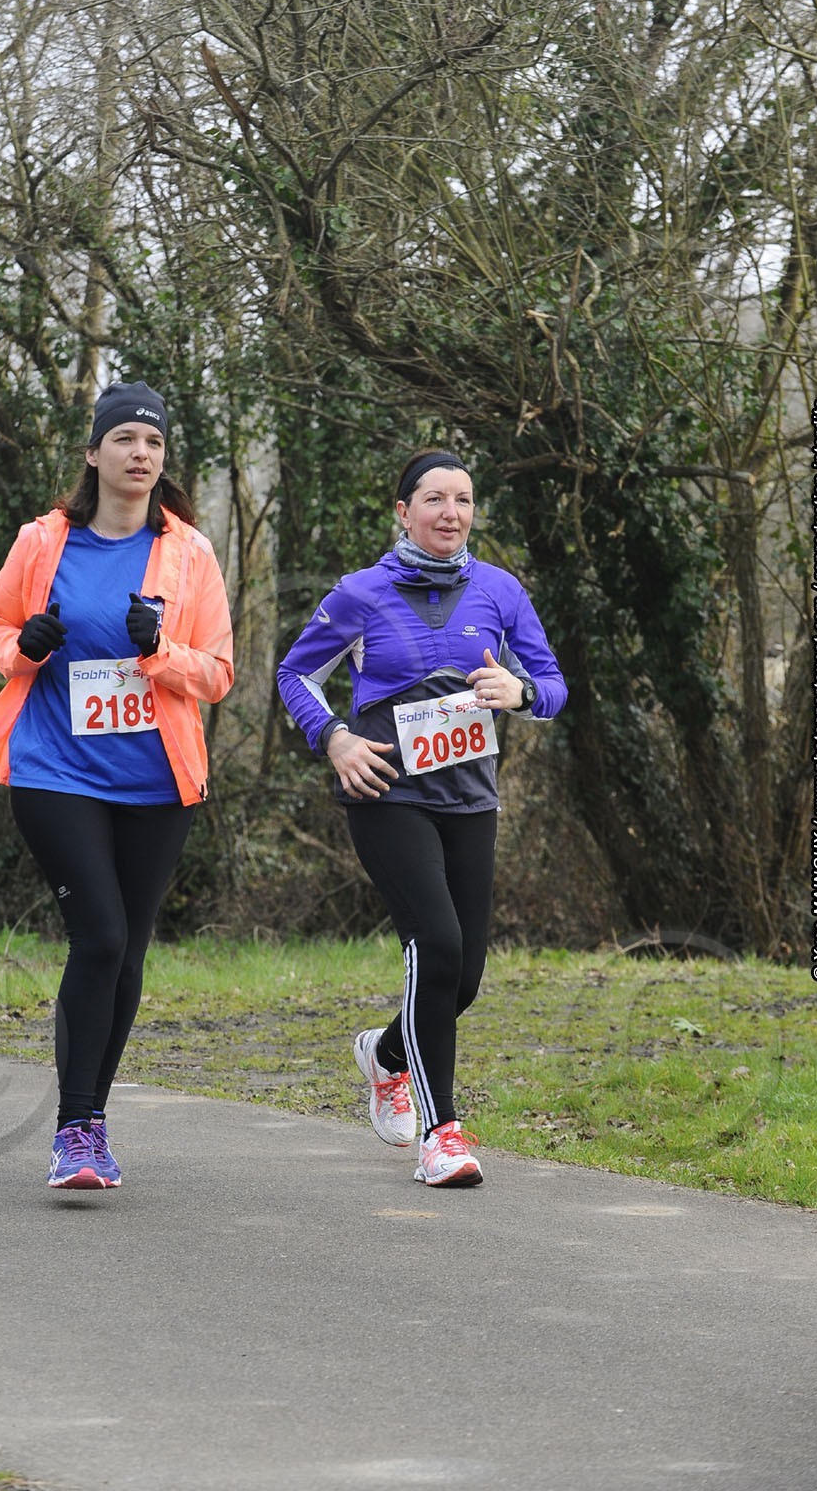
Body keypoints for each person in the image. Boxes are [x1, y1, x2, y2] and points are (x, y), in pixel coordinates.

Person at [0, 381, 233, 1190]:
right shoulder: (43, 541)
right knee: (100, 937)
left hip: (155, 780)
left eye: (153, 442)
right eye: (124, 440)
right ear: (93, 453)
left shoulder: (190, 553)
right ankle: (73, 1131)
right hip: (56, 769)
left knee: (128, 950)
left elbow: (217, 673)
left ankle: (92, 1125)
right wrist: (24, 648)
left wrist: (161, 651)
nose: (140, 453)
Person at [277, 448, 567, 1187]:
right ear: (403, 512)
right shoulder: (359, 593)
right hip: (387, 792)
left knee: (462, 978)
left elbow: (553, 685)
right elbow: (294, 673)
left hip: (470, 798)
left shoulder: (500, 591)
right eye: (434, 499)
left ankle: (384, 1056)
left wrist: (521, 691)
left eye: (462, 500)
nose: (450, 513)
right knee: (434, 946)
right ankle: (442, 1136)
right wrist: (333, 737)